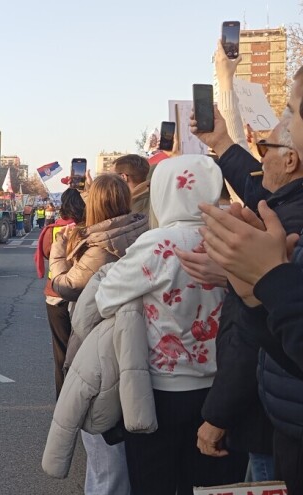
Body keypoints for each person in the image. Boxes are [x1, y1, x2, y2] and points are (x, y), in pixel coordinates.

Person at [94, 155, 248, 493]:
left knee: (156, 483)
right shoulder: (236, 239)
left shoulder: (158, 243)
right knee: (215, 485)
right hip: (225, 394)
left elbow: (105, 298)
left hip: (164, 391)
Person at [49, 174, 149, 494]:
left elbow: (65, 285)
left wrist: (59, 250)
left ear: (95, 204)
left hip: (101, 348)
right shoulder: (143, 231)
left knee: (102, 451)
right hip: (139, 344)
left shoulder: (101, 246)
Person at [199, 200, 303, 494]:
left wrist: (274, 281)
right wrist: (257, 298)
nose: (259, 163)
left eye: (263, 150)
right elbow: (289, 353)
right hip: (283, 432)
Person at [35, 188, 85, 398]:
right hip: (84, 294)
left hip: (56, 295)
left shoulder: (52, 230)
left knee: (61, 351)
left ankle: (63, 399)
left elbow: (46, 253)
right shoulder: (89, 229)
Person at [113, 154, 152, 220]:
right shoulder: (156, 196)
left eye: (112, 177)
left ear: (123, 177)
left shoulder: (133, 208)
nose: (110, 181)